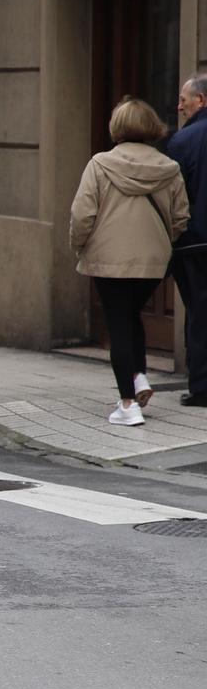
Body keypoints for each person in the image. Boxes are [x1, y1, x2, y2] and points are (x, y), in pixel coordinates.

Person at [68, 96, 190, 426]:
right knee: (131, 316)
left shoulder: (100, 164)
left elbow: (82, 215)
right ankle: (138, 376)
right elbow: (181, 219)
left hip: (108, 259)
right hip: (153, 262)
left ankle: (127, 404)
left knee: (118, 323)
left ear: (117, 127)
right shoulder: (170, 169)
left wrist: (79, 246)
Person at [162, 75, 207, 409]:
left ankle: (202, 387)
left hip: (195, 244)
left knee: (200, 314)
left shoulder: (182, 142)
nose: (179, 106)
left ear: (201, 101)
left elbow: (175, 199)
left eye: (184, 99)